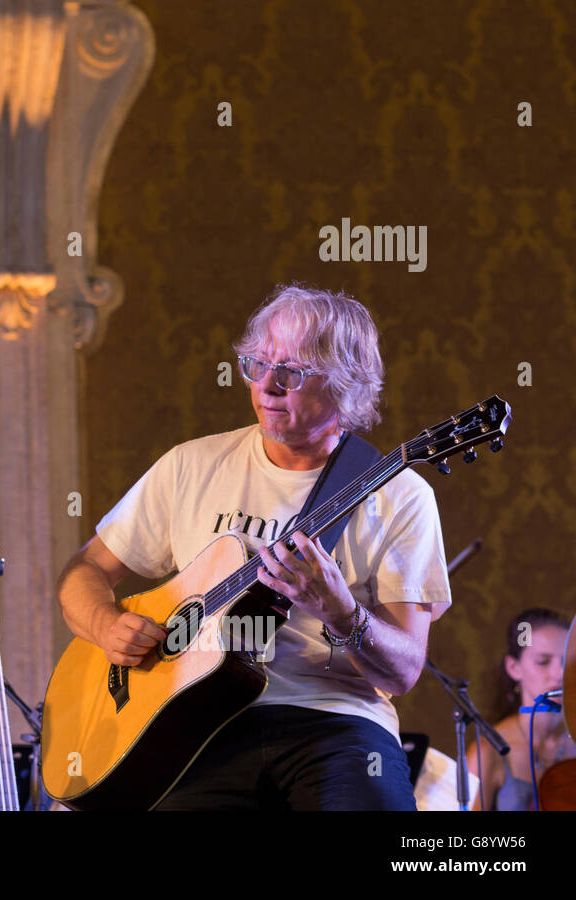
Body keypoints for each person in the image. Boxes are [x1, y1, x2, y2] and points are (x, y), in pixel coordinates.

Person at [56, 283, 451, 810]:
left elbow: (403, 672)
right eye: (255, 365)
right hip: (194, 722)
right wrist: (105, 624)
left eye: (290, 372)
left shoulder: (400, 496)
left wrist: (342, 611)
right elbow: (85, 571)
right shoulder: (190, 466)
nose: (267, 386)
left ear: (344, 386)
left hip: (335, 722)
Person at [467, 607, 575, 810]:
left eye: (566, 661)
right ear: (513, 668)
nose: (559, 673)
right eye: (543, 662)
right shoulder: (489, 751)